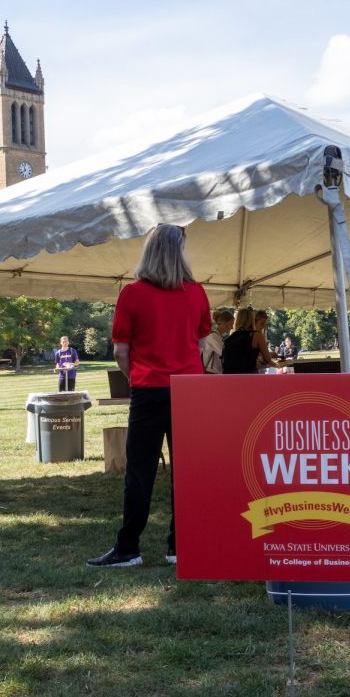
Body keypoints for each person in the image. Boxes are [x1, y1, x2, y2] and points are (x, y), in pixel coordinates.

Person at [88, 224, 212, 567]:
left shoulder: (133, 294)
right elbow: (201, 343)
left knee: (140, 470)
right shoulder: (196, 292)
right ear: (180, 252)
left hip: (149, 389)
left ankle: (129, 548)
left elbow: (120, 351)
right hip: (189, 391)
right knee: (185, 470)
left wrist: (137, 378)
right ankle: (179, 546)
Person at [222, 308, 262, 374]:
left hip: (230, 376)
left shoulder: (230, 338)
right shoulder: (256, 335)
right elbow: (268, 360)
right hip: (247, 376)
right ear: (251, 320)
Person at [201, 308, 233, 374]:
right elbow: (224, 353)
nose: (232, 327)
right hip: (211, 372)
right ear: (225, 323)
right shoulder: (213, 337)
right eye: (231, 324)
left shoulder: (217, 336)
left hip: (213, 372)